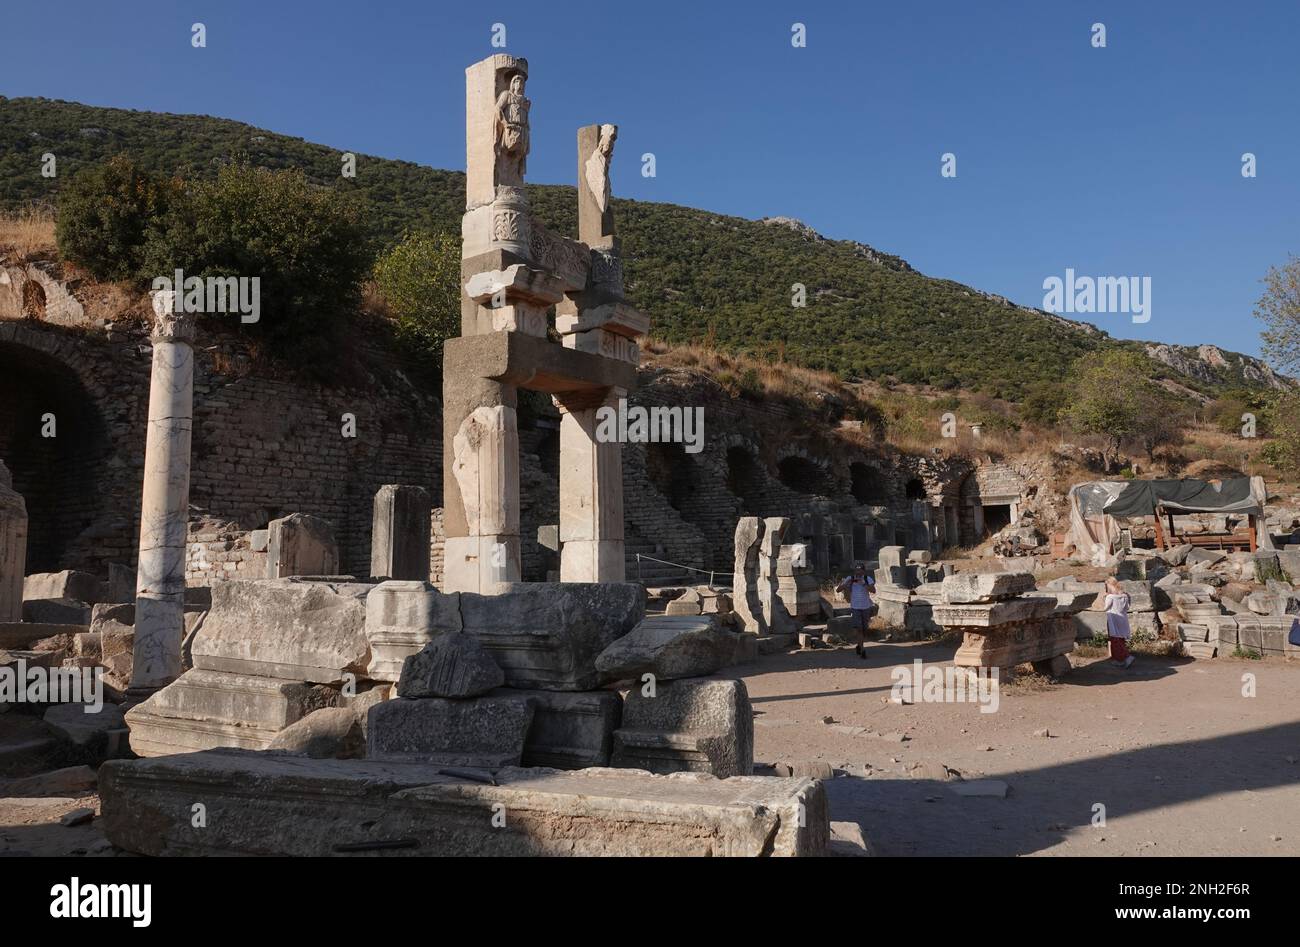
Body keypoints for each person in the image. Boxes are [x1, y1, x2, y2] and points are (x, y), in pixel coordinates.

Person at [837, 563, 876, 659]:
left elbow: (873, 590)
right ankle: (863, 650)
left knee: (864, 629)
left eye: (860, 570)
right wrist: (846, 584)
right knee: (859, 629)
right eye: (856, 570)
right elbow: (838, 590)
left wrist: (862, 583)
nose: (858, 572)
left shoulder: (867, 579)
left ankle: (859, 645)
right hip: (855, 607)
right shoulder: (850, 578)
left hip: (866, 607)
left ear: (863, 571)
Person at [1103, 576, 1135, 669]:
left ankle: (1126, 657)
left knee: (1115, 640)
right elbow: (1127, 607)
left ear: (1109, 585)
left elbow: (1106, 608)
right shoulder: (1125, 596)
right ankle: (1119, 660)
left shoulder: (1110, 597)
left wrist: (1104, 598)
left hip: (1113, 620)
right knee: (1121, 640)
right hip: (1123, 619)